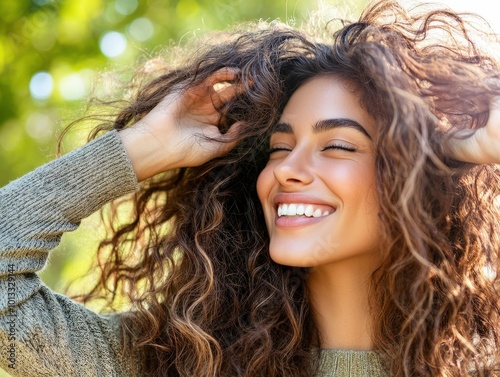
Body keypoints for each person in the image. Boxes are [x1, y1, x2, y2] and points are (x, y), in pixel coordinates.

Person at [1, 0, 500, 376]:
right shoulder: (173, 361)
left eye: (339, 147)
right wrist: (142, 146)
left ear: (416, 172)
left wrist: (458, 151)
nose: (286, 170)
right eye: (279, 149)